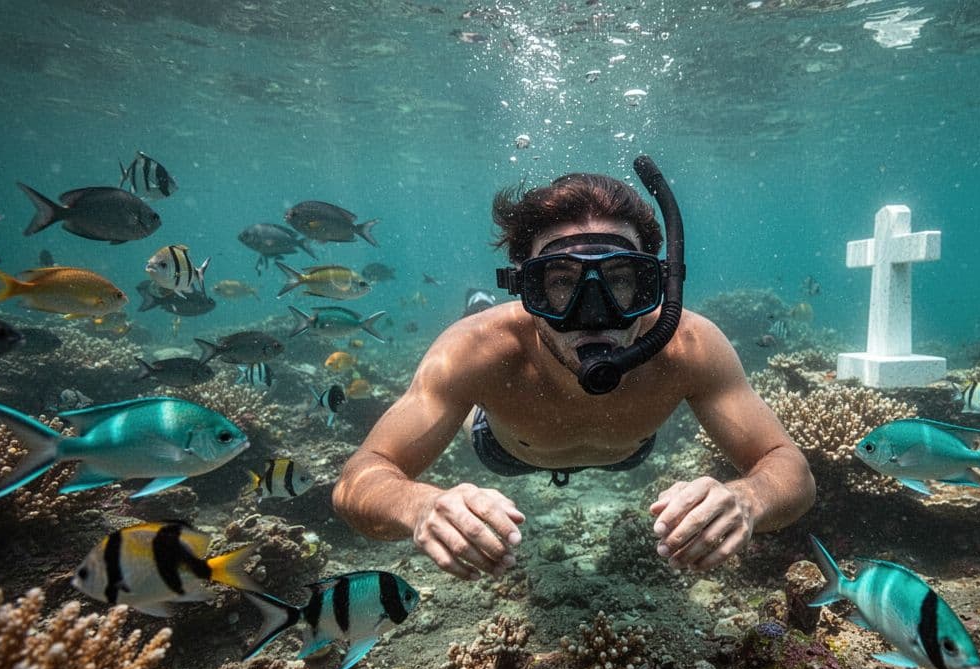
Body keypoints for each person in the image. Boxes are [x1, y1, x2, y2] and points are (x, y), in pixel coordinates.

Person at [332, 170, 814, 580]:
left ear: (655, 283)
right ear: (526, 289)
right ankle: (479, 308)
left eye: (621, 279)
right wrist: (420, 508)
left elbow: (790, 470)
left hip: (627, 452)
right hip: (505, 451)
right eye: (561, 283)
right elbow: (359, 478)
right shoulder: (474, 349)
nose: (595, 313)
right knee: (473, 398)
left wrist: (748, 498)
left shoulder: (690, 346)